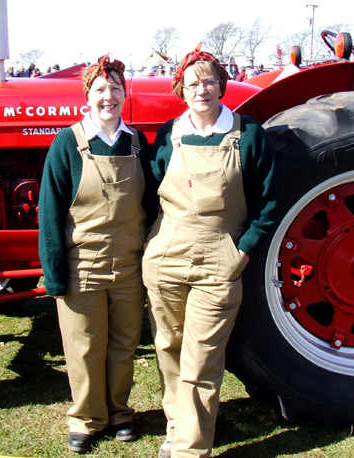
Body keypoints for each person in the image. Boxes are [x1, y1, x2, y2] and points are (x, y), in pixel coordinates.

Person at [142, 43, 279, 458]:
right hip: (166, 255)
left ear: (221, 86)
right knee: (168, 348)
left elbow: (268, 201)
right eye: (191, 83)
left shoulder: (248, 134)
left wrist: (244, 250)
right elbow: (150, 195)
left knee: (201, 356)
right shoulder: (169, 134)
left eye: (209, 81)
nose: (201, 89)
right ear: (180, 89)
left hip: (219, 257)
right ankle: (176, 427)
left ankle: (189, 448)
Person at [38, 54, 158, 454]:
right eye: (100, 90)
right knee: (85, 346)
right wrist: (54, 274)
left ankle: (120, 411)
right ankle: (87, 418)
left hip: (129, 264)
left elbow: (155, 205)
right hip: (81, 266)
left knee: (124, 343)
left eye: (116, 89)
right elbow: (51, 213)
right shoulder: (66, 144)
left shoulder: (138, 143)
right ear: (87, 96)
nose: (109, 97)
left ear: (126, 94)